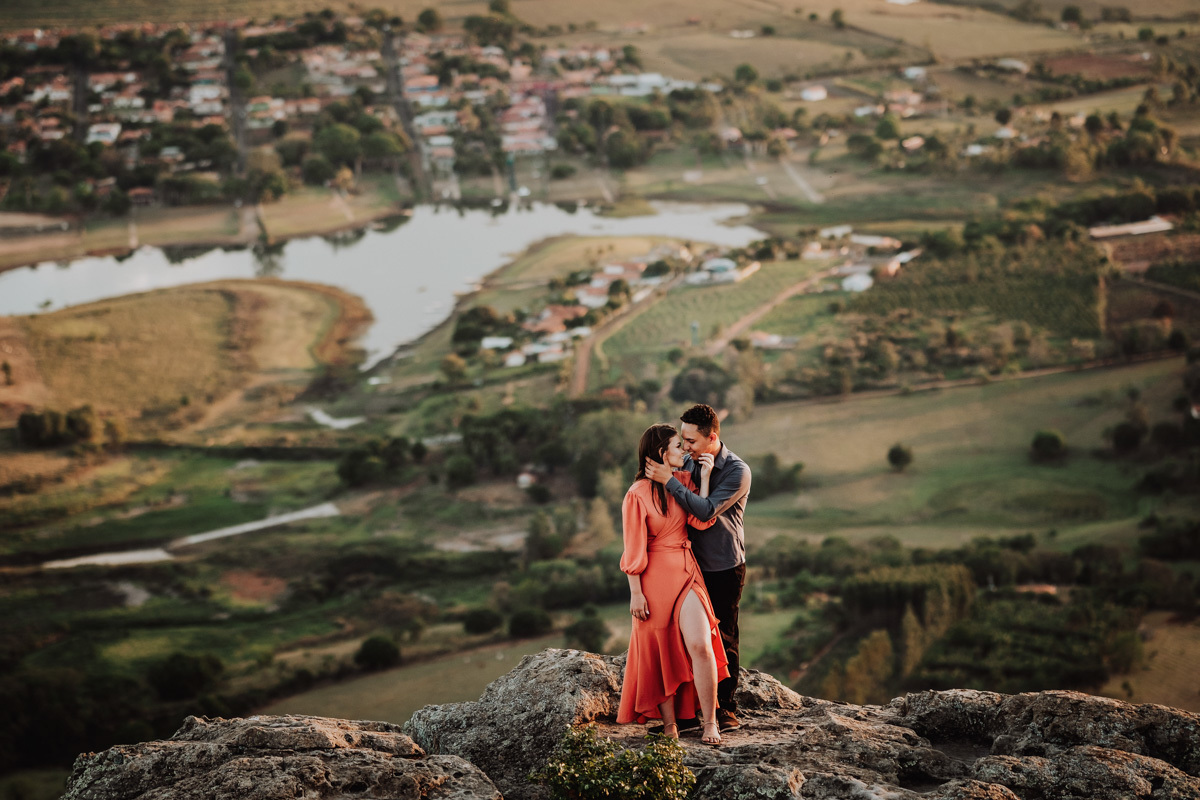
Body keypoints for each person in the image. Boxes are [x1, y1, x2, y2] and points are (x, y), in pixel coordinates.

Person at [617, 423, 730, 746]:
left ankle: (710, 722)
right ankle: (669, 726)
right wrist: (636, 593)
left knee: (701, 644)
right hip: (653, 580)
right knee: (660, 653)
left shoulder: (682, 480)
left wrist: (704, 480)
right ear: (661, 453)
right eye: (677, 446)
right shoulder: (636, 494)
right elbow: (633, 548)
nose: (685, 451)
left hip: (685, 571)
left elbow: (701, 520)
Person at [644, 404, 751, 732]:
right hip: (687, 567)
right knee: (686, 639)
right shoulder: (688, 462)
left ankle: (725, 710)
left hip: (722, 566)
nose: (686, 446)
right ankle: (689, 713)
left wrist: (669, 481)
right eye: (684, 440)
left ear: (712, 438)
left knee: (723, 636)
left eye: (691, 440)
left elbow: (705, 512)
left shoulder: (737, 471)